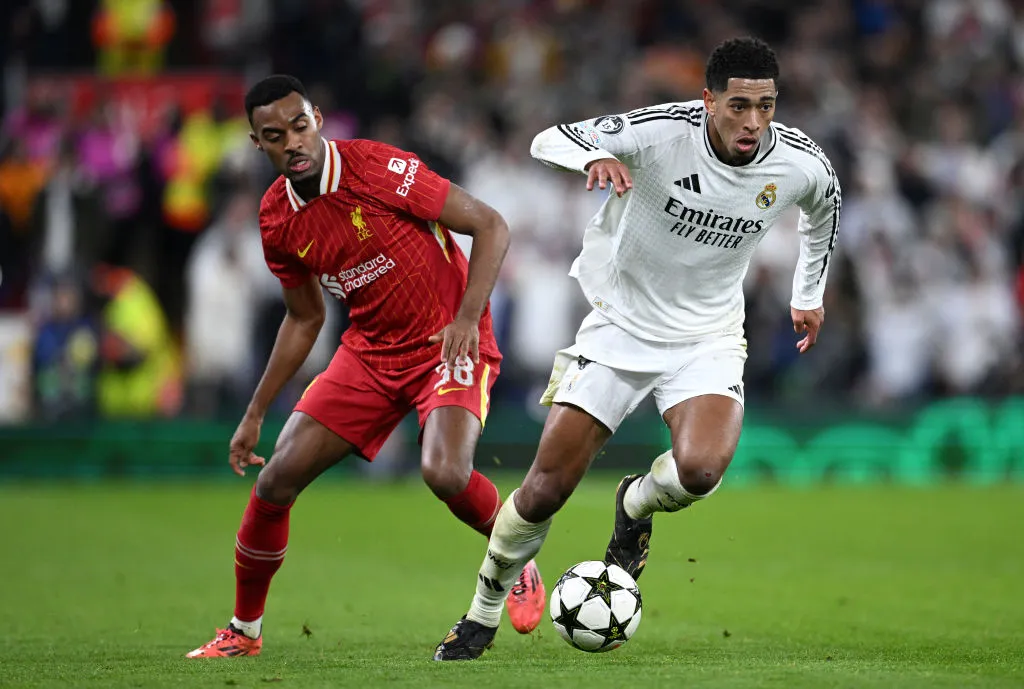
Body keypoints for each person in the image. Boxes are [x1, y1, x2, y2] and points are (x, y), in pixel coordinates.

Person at [433, 37, 842, 660]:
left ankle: (635, 503)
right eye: (738, 106)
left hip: (707, 336)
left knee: (702, 471)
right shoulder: (659, 131)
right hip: (621, 326)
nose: (753, 122)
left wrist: (807, 292)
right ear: (708, 101)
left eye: (766, 106)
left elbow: (825, 206)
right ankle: (482, 612)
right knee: (544, 490)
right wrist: (595, 155)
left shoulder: (798, 161)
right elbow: (550, 140)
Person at [186, 75, 545, 658]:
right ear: (258, 144)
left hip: (446, 341)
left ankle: (516, 556)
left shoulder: (378, 168)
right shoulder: (277, 217)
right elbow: (303, 319)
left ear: (318, 119)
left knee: (444, 473)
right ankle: (243, 632)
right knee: (275, 479)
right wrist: (254, 413)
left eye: (300, 126)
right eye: (276, 136)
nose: (293, 142)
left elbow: (490, 225)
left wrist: (466, 318)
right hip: (371, 353)